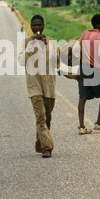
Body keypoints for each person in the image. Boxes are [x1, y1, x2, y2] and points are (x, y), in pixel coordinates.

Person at [18, 15, 58, 158]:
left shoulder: (50, 41)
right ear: (31, 27)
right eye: (34, 25)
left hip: (49, 84)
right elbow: (21, 61)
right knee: (40, 116)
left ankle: (39, 142)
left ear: (43, 26)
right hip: (34, 84)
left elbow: (55, 60)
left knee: (47, 116)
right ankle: (47, 147)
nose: (37, 28)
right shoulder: (26, 42)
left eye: (39, 25)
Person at [77, 14, 100, 135]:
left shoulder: (86, 33)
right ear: (97, 24)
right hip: (95, 69)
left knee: (82, 98)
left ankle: (81, 126)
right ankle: (98, 122)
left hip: (83, 68)